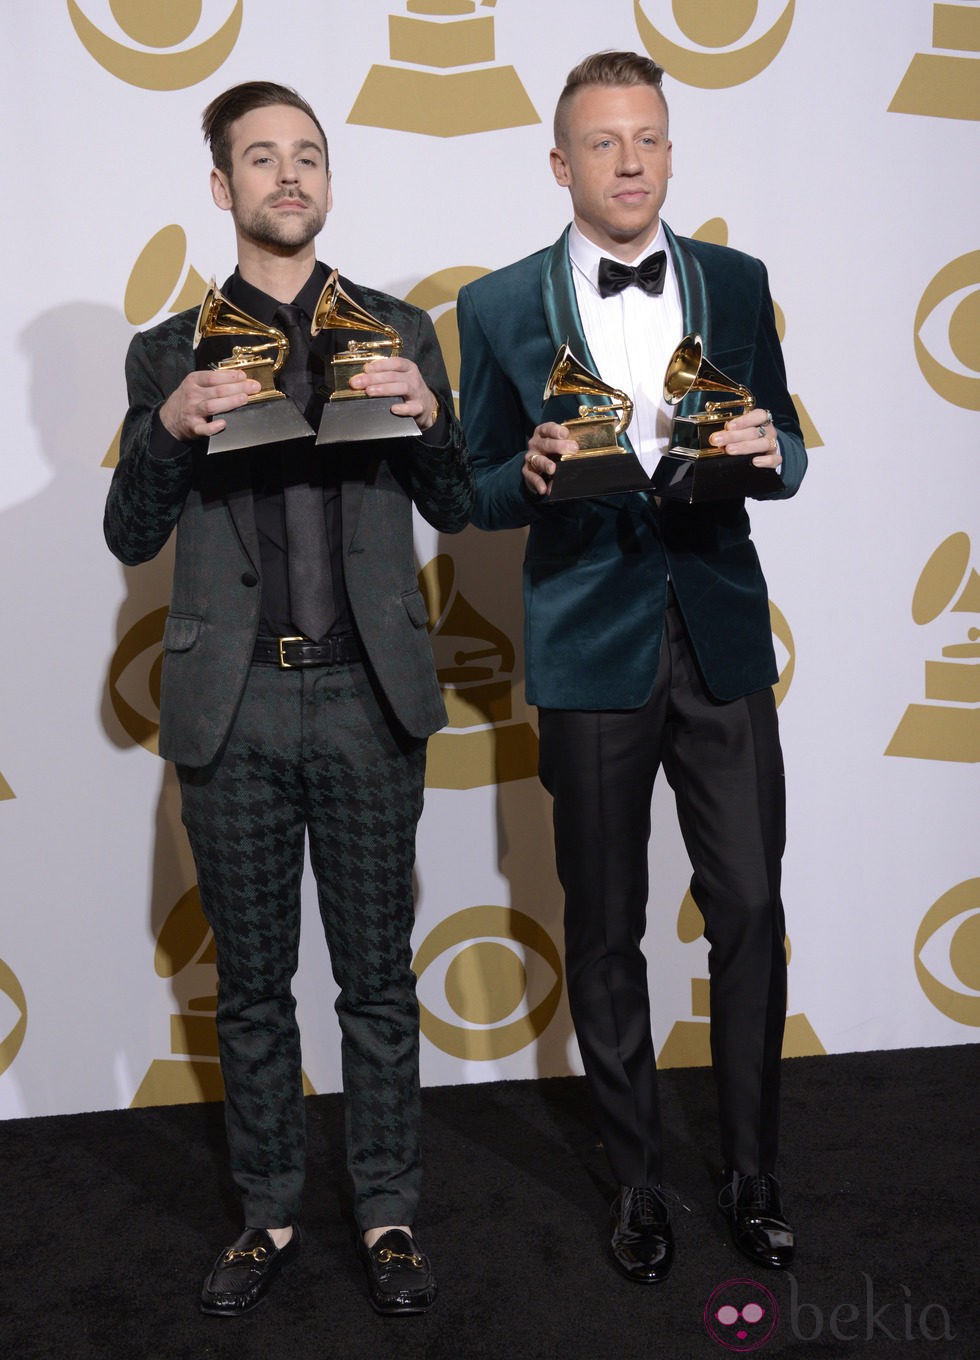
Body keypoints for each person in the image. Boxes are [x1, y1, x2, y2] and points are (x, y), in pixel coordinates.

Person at [104, 81, 474, 1317]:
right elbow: (127, 530)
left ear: (328, 179)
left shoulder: (398, 327)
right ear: (221, 187)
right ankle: (265, 1211)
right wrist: (166, 424)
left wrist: (430, 417)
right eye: (260, 159)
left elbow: (459, 501)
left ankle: (387, 1212)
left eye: (306, 156)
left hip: (370, 701)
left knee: (375, 977)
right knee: (253, 986)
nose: (287, 175)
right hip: (232, 708)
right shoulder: (169, 350)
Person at [457, 51, 805, 1283]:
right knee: (604, 929)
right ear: (561, 163)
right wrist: (529, 474)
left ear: (668, 150)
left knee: (751, 911)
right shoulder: (496, 305)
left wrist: (771, 447)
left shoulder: (736, 279)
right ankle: (638, 1183)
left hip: (715, 632)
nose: (628, 161)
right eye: (602, 143)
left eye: (647, 138)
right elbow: (471, 486)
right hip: (585, 641)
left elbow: (788, 447)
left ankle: (753, 1174)